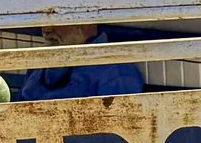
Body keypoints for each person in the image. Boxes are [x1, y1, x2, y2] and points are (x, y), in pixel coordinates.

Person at [13, 23, 145, 101]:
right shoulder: (40, 65)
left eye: (56, 20)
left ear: (85, 22)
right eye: (42, 20)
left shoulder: (116, 72)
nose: (46, 30)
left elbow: (116, 138)